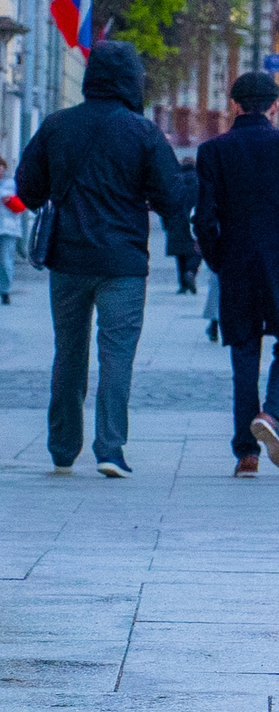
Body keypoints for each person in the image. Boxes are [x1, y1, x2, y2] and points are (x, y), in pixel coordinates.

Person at [13, 40, 188, 478]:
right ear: (133, 81)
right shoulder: (142, 131)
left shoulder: (57, 126)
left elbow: (28, 188)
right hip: (123, 263)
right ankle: (110, 449)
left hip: (68, 261)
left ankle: (62, 446)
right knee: (117, 355)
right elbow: (172, 197)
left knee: (68, 352)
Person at [194, 72, 279, 478]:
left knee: (244, 355)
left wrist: (219, 260)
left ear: (233, 104)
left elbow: (204, 219)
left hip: (236, 264)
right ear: (273, 106)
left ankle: (246, 454)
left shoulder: (213, 151)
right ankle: (273, 413)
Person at [166, 155, 202, 294]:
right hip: (193, 219)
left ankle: (182, 284)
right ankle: (191, 272)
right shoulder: (199, 179)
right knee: (196, 251)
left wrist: (167, 222)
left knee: (180, 254)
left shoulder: (175, 180)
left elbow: (166, 201)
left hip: (175, 221)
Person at [0, 156, 24, 305]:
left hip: (8, 228)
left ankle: (5, 291)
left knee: (5, 260)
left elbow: (19, 205)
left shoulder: (11, 184)